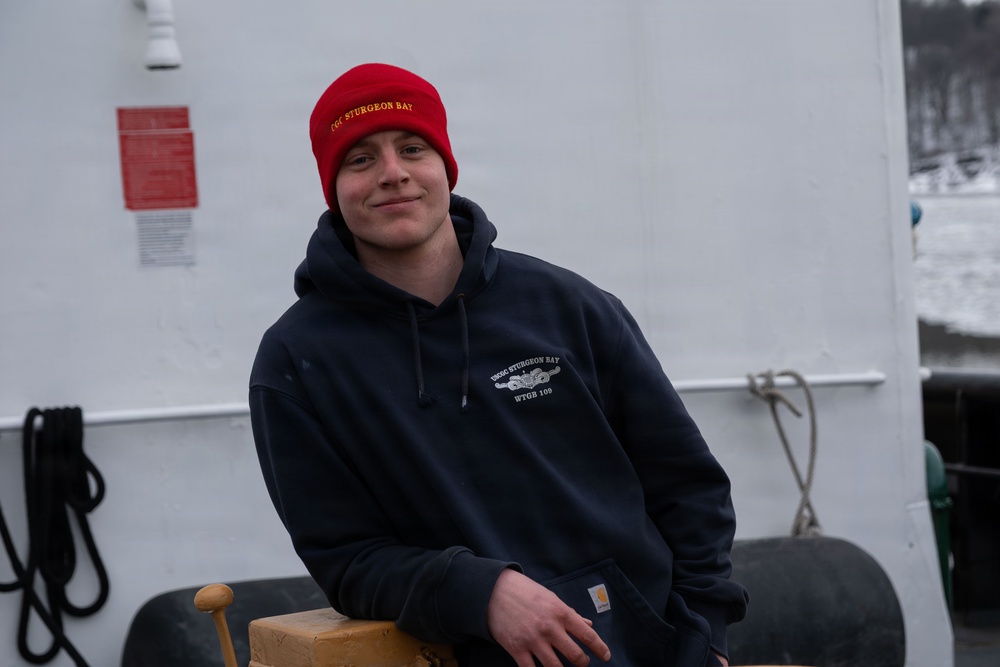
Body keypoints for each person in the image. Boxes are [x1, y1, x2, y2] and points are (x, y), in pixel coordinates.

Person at [250, 63, 748, 667]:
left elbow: (688, 487)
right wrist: (482, 592)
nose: (393, 173)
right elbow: (347, 560)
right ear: (334, 186)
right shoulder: (296, 362)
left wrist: (708, 638)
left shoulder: (570, 308)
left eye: (412, 148)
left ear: (445, 166)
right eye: (359, 159)